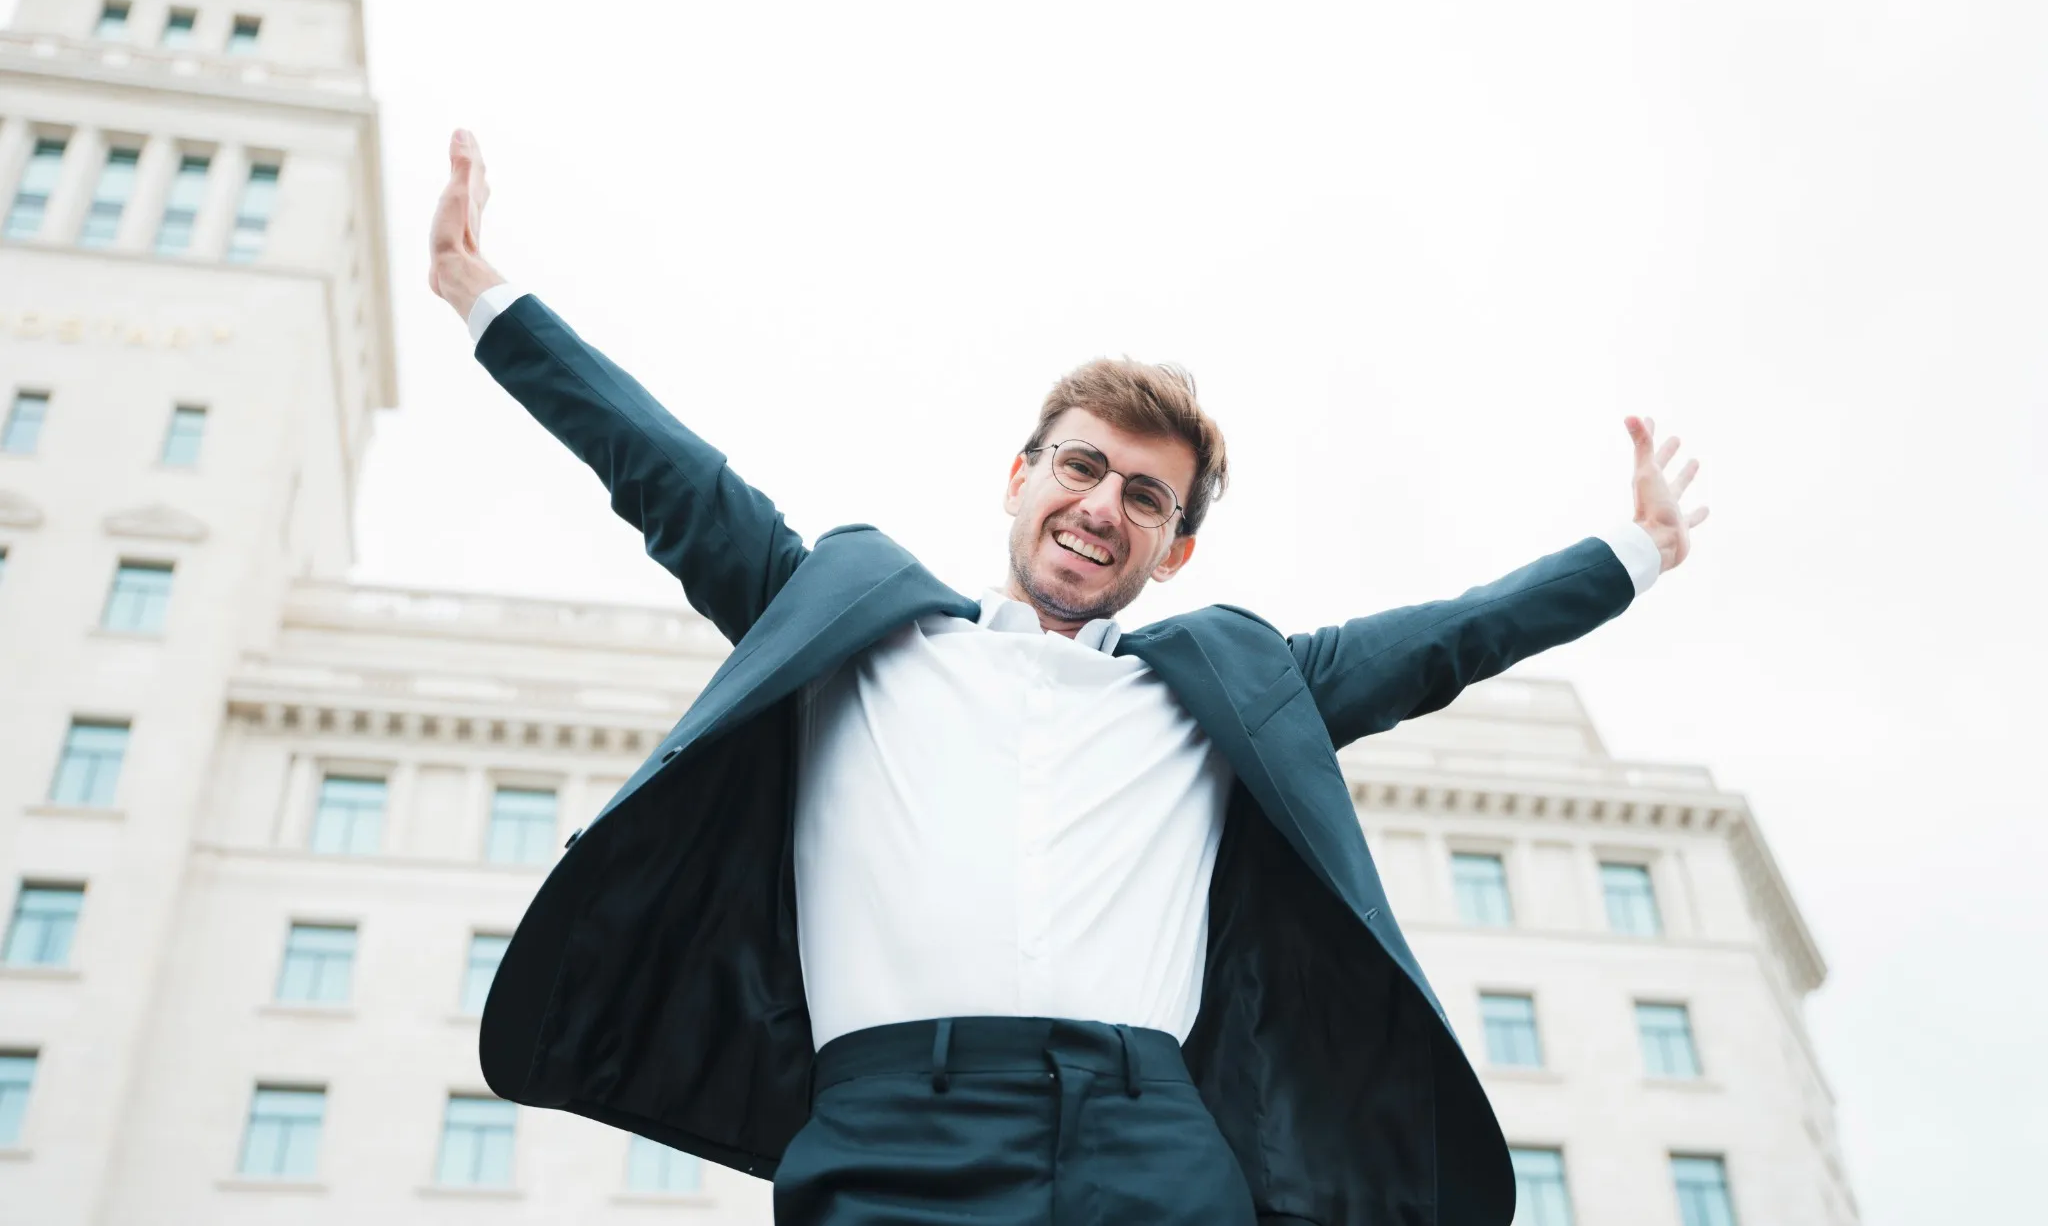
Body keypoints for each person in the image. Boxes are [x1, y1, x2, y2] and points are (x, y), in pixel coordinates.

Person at [427, 129, 1707, 1226]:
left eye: (1143, 496)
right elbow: (669, 475)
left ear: (1174, 545)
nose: (1103, 505)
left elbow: (1445, 642)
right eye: (1080, 466)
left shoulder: (1225, 686)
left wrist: (1634, 553)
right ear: (1019, 474)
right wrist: (489, 301)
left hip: (1146, 1136)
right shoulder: (856, 626)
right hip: (888, 1129)